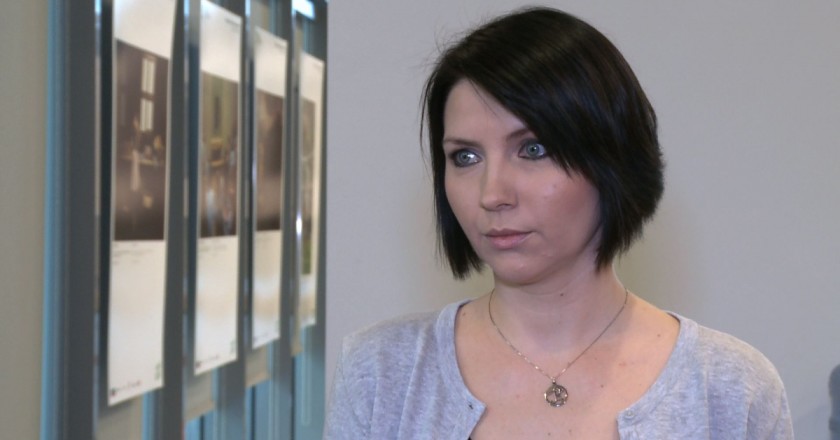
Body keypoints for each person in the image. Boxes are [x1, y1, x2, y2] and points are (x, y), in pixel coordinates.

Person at [324, 7, 792, 439]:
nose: (492, 194)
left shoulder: (731, 389)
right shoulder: (381, 373)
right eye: (465, 157)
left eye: (533, 149)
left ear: (612, 158)